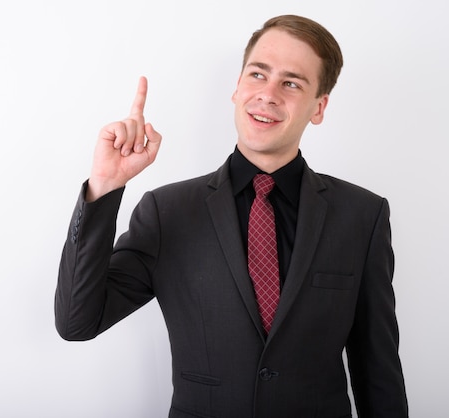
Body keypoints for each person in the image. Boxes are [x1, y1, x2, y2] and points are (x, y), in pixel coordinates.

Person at [55, 14, 408, 418]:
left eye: (292, 83)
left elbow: (378, 370)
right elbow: (76, 322)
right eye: (258, 74)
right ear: (238, 88)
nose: (269, 94)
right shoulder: (167, 211)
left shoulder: (362, 216)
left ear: (319, 107)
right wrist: (103, 186)